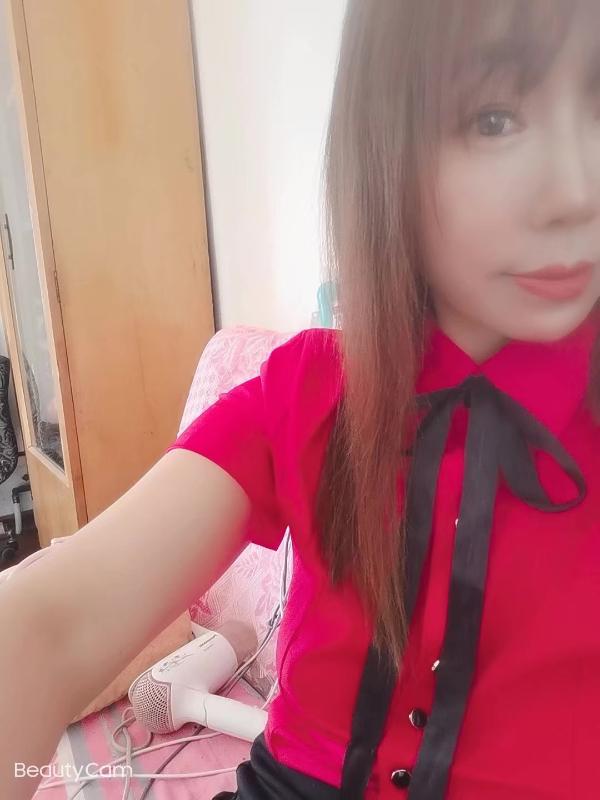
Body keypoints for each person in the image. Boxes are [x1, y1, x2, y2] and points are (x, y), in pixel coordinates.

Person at [3, 0, 600, 797]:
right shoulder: (309, 392)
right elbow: (46, 626)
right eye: (494, 119)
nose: (578, 191)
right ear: (385, 147)